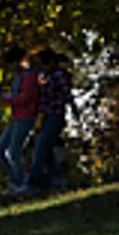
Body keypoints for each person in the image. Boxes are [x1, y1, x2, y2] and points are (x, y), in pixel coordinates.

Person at [0, 46, 40, 193]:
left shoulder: (31, 75)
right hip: (16, 117)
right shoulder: (19, 77)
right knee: (0, 149)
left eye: (11, 64)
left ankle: (22, 184)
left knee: (14, 151)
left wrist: (4, 99)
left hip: (26, 117)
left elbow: (25, 98)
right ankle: (15, 181)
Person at [28, 50, 76, 190]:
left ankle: (33, 181)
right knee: (46, 147)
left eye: (44, 64)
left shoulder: (59, 75)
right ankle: (56, 179)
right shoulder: (47, 76)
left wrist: (74, 110)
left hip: (55, 115)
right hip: (46, 115)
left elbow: (66, 94)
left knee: (41, 146)